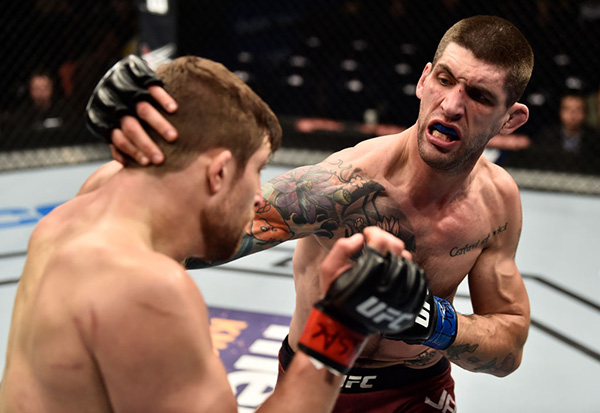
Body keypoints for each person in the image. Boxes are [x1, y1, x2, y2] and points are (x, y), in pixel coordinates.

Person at [84, 15, 534, 412]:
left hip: (417, 391)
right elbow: (158, 238)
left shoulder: (497, 202)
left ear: (510, 120)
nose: (452, 105)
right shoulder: (338, 187)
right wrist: (132, 148)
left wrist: (431, 322)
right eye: (445, 80)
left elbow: (509, 345)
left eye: (478, 95)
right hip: (316, 381)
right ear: (423, 80)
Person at [0, 55, 428, 412]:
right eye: (257, 171)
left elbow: (136, 168)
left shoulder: (71, 217)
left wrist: (133, 114)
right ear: (219, 171)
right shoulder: (145, 287)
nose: (260, 198)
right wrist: (340, 326)